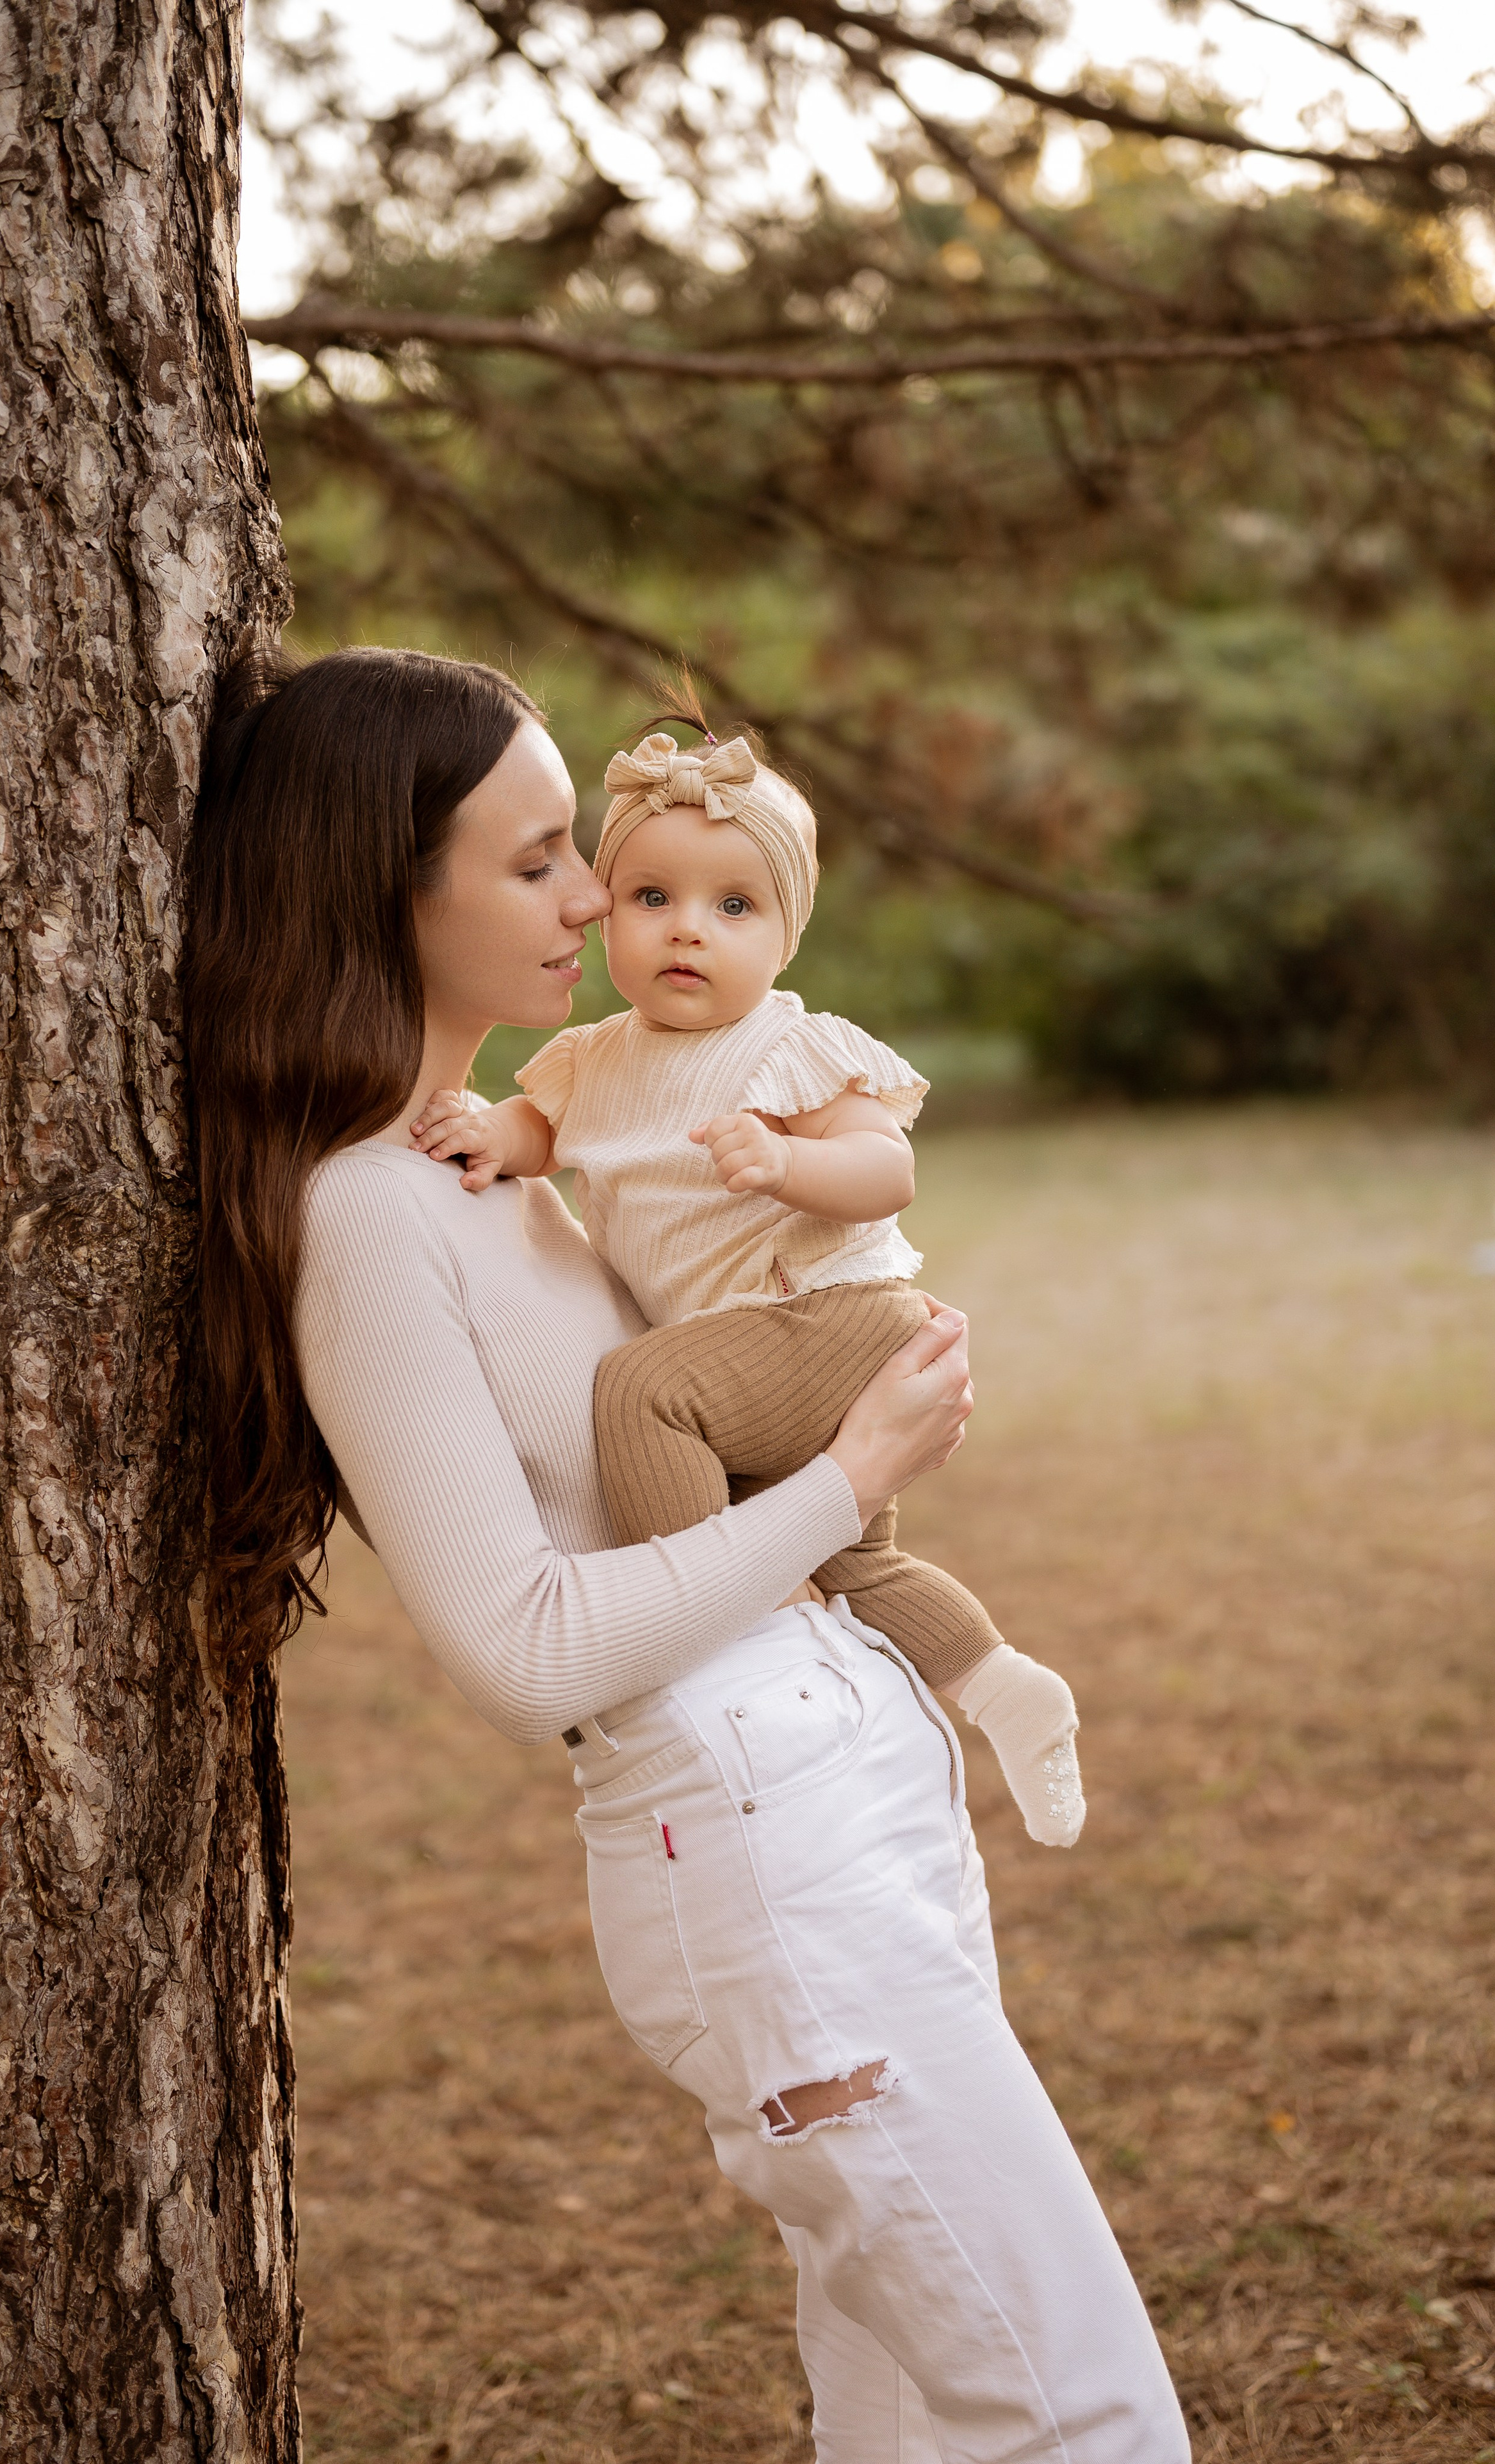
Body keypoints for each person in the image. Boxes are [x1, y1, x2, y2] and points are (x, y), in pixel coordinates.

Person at [184, 644, 1191, 2464]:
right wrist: (852, 1476)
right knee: (1072, 2408)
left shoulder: (522, 1168)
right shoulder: (364, 1214)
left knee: (914, 2404)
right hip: (749, 1838)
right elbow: (530, 1650)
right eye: (542, 858)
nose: (595, 897)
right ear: (380, 889)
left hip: (842, 1782)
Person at [409, 705, 1084, 1849]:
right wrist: (489, 1135)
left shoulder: (789, 1046)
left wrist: (789, 1162)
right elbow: (541, 1130)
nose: (688, 932)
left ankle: (739, 1636)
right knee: (856, 1558)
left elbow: (889, 1169)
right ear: (607, 913)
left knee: (641, 1392)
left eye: (734, 907)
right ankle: (1003, 1687)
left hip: (827, 1317)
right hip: (756, 1364)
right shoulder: (594, 1058)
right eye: (652, 899)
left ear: (784, 937)